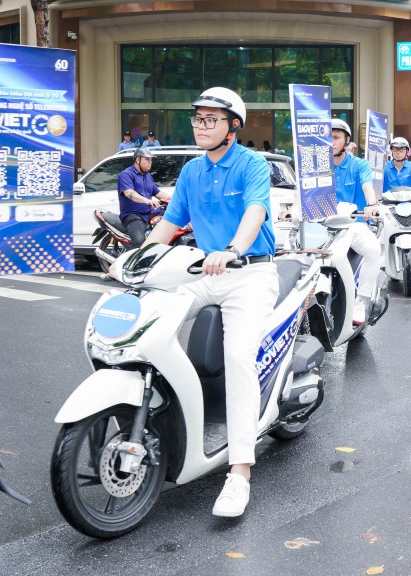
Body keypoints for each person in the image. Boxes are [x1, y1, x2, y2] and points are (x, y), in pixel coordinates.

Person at [142, 87, 277, 518]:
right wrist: (137, 260)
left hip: (249, 271)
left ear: (233, 126)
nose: (201, 126)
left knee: (238, 358)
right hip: (203, 271)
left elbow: (255, 212)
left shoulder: (252, 164)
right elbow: (169, 224)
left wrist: (234, 249)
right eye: (197, 118)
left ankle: (239, 472)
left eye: (211, 119)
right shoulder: (191, 172)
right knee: (148, 323)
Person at [330, 118, 381, 326]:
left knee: (373, 250)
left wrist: (371, 204)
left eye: (335, 137)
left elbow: (368, 187)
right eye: (327, 137)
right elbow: (302, 191)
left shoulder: (359, 165)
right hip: (321, 226)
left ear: (346, 141)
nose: (331, 142)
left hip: (352, 224)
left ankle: (361, 299)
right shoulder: (317, 167)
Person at [118, 147, 171, 246]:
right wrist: (146, 200)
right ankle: (136, 260)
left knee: (170, 218)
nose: (150, 162)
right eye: (147, 159)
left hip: (149, 212)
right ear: (138, 160)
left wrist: (174, 200)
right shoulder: (126, 175)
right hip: (133, 215)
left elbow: (157, 192)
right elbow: (129, 193)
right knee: (139, 241)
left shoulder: (147, 176)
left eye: (151, 160)